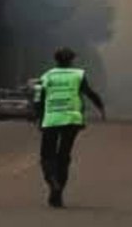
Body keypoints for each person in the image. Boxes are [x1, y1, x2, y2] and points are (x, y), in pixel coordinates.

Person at [34, 47, 105, 208]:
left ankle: (52, 181)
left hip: (51, 119)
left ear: (56, 60)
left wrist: (38, 117)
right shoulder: (78, 75)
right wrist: (100, 106)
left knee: (47, 154)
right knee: (64, 156)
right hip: (72, 119)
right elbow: (89, 92)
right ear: (72, 60)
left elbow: (38, 98)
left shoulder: (47, 76)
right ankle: (58, 195)